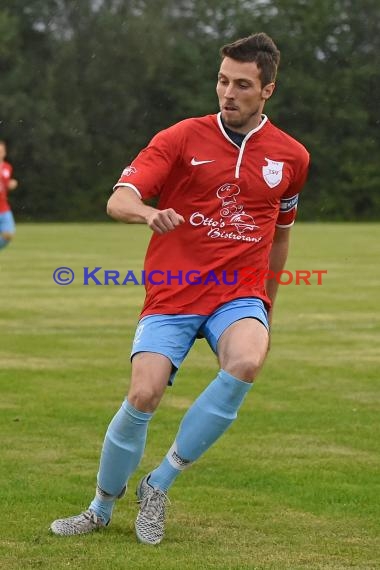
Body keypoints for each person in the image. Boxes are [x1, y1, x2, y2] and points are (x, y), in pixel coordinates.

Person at [50, 32, 310, 544]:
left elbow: (280, 237)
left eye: (241, 84)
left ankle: (158, 483)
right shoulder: (180, 137)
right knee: (143, 394)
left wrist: (267, 304)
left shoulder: (291, 157)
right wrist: (148, 211)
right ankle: (100, 508)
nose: (227, 93)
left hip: (238, 294)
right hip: (173, 291)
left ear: (267, 90)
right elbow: (119, 199)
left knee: (247, 361)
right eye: (221, 81)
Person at [0, 140, 18, 251]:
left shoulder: (7, 167)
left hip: (4, 208)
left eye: (1, 151)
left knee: (8, 235)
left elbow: (6, 184)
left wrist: (12, 184)